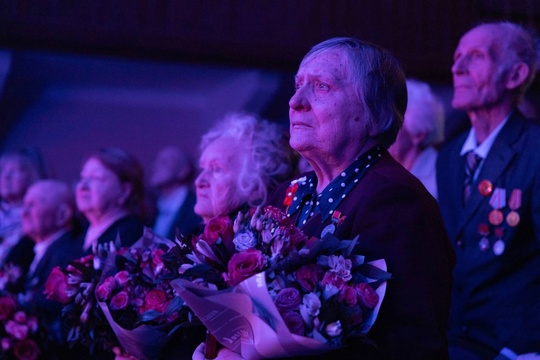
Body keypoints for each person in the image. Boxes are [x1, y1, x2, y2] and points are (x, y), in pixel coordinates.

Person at [260, 37, 454, 359]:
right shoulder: (288, 192)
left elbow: (406, 345)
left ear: (373, 114)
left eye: (321, 87)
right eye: (298, 85)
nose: (295, 101)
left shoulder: (396, 201)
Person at [436, 22, 540, 359]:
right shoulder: (450, 155)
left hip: (514, 346)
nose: (457, 67)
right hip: (455, 338)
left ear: (515, 75)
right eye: (457, 57)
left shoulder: (535, 151)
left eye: (476, 56)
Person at [194, 112, 298, 223]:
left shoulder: (264, 239)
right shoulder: (189, 235)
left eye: (217, 169)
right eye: (202, 168)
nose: (198, 182)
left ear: (256, 188)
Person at [19, 179, 83, 345]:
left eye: (33, 205)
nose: (23, 212)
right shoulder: (43, 250)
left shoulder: (66, 254)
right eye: (24, 204)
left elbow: (47, 310)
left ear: (63, 215)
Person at [76, 148, 145, 253]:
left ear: (125, 191)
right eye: (82, 177)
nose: (82, 186)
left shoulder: (133, 237)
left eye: (96, 177)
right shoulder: (75, 236)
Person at [389, 78, 445, 199]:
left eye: (393, 124)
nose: (383, 130)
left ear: (419, 135)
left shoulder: (440, 176)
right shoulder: (384, 169)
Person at [0, 148, 49, 270]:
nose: (6, 176)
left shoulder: (43, 216)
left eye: (14, 171)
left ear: (33, 174)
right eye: (2, 171)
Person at [149, 146, 202, 240]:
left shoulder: (196, 209)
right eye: (155, 161)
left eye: (163, 162)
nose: (154, 167)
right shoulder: (151, 208)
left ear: (183, 170)